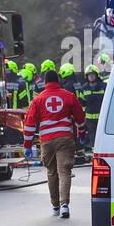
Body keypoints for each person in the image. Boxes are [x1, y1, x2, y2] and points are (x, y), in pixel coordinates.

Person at [23, 69, 86, 218]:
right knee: (64, 171)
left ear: (45, 83)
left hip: (47, 141)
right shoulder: (69, 96)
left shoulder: (37, 100)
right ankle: (65, 204)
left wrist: (27, 145)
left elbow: (30, 123)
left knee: (52, 172)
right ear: (58, 81)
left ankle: (55, 205)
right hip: (65, 139)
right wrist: (82, 133)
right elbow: (80, 117)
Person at [76, 64, 106, 152]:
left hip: (103, 118)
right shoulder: (83, 88)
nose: (91, 76)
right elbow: (81, 104)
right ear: (87, 76)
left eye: (93, 74)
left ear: (97, 75)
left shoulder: (104, 86)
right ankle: (95, 153)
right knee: (92, 137)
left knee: (102, 137)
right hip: (89, 119)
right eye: (89, 74)